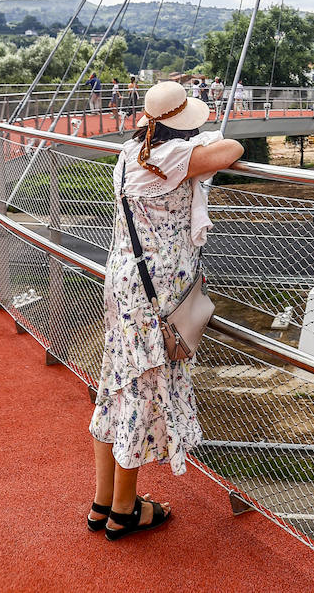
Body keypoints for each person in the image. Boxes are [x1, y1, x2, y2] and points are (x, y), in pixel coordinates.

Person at [87, 80, 243, 540]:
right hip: (157, 294)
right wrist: (205, 141)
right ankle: (123, 511)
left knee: (116, 384)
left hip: (123, 283)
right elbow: (232, 148)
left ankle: (103, 502)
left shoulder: (129, 155)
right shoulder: (175, 158)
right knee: (142, 391)